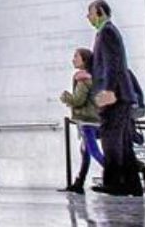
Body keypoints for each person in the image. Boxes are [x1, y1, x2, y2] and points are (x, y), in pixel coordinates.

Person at [87, 0, 142, 197]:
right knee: (123, 142)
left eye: (90, 12)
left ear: (99, 12)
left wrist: (109, 90)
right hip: (120, 94)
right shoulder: (105, 33)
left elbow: (112, 63)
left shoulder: (107, 32)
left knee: (111, 140)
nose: (88, 17)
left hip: (115, 95)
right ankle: (132, 185)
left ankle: (115, 182)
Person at [60, 48, 103, 192]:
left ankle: (115, 176)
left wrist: (66, 97)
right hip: (93, 119)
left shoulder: (82, 79)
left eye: (76, 56)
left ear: (84, 60)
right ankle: (79, 183)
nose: (73, 59)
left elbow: (78, 100)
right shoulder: (92, 76)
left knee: (94, 152)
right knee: (85, 152)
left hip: (87, 121)